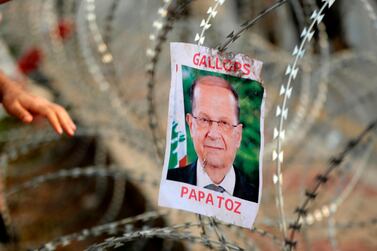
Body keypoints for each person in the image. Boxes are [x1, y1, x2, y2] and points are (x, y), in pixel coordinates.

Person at [167, 76, 258, 202]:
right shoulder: (171, 183)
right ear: (191, 125)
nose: (213, 134)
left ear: (238, 135)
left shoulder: (255, 198)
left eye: (224, 123)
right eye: (204, 120)